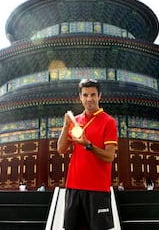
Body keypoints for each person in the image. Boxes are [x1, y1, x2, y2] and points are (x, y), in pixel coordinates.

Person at [57, 79, 118, 230]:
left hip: (97, 189)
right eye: (85, 95)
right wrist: (66, 126)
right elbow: (60, 149)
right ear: (80, 97)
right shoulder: (75, 121)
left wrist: (88, 145)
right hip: (74, 186)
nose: (89, 99)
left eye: (93, 95)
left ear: (99, 96)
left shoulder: (108, 122)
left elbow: (109, 156)